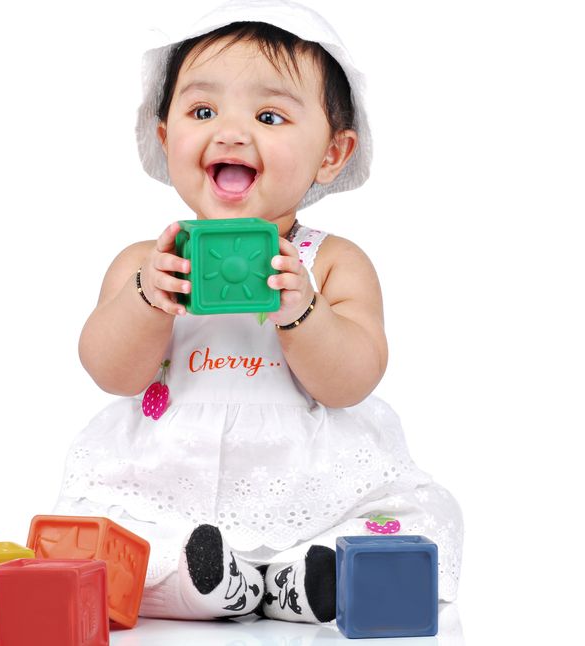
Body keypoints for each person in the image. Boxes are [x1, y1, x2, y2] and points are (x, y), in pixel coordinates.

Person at [53, 0, 463, 623]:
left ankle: (303, 576)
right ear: (164, 138)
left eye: (269, 116)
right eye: (202, 111)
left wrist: (305, 313)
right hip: (171, 475)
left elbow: (352, 381)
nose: (231, 133)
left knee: (417, 516)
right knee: (103, 529)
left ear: (332, 153)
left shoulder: (331, 262)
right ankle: (209, 582)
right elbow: (111, 372)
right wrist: (146, 301)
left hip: (308, 480)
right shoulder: (147, 261)